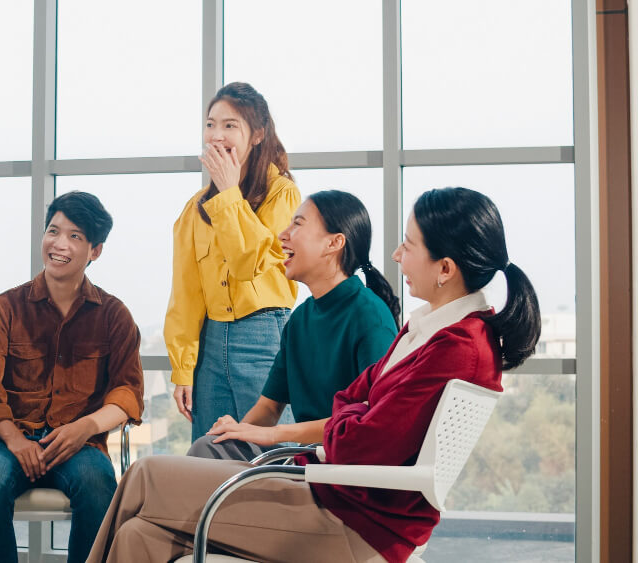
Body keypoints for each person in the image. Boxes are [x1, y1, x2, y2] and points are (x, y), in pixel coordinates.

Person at [87, 187, 541, 563]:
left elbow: (363, 442)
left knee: (144, 474)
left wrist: (350, 417)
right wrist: (355, 414)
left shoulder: (457, 347)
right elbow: (355, 399)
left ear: (445, 269)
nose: (397, 255)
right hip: (332, 496)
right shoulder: (428, 331)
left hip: (353, 522)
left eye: (409, 245)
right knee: (138, 537)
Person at [0, 191, 144, 563]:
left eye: (74, 236)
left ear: (95, 251)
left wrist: (85, 428)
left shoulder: (114, 316)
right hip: (10, 441)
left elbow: (128, 393)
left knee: (98, 485)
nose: (59, 244)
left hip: (80, 445)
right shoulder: (4, 308)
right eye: (53, 231)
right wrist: (16, 441)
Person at [187, 190, 399, 461]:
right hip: (305, 459)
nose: (283, 235)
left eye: (298, 224)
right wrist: (237, 432)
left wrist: (275, 435)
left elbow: (371, 417)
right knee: (209, 448)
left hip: (340, 467)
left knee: (180, 464)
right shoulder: (300, 319)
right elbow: (269, 408)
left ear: (334, 243)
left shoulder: (370, 318)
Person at [166, 82, 301, 441]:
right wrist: (183, 369)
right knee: (210, 452)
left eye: (230, 125)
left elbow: (248, 264)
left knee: (270, 453)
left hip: (264, 332)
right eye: (210, 124)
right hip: (210, 341)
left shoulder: (282, 194)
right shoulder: (195, 208)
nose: (216, 135)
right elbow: (186, 295)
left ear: (257, 135)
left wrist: (229, 193)